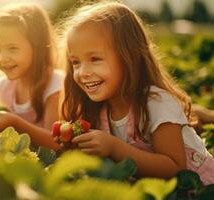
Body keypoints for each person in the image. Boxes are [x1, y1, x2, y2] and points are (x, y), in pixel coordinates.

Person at [58, 1, 214, 184]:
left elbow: (175, 168)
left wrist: (114, 148)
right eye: (75, 62)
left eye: (95, 59)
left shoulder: (156, 102)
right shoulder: (97, 110)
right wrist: (76, 147)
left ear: (128, 57)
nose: (82, 72)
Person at [0, 2, 62, 150]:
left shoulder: (55, 87)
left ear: (37, 46)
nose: (2, 58)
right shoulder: (4, 87)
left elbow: (56, 143)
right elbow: (9, 131)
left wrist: (14, 122)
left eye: (12, 48)